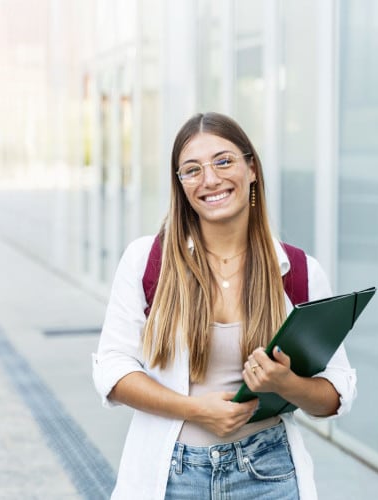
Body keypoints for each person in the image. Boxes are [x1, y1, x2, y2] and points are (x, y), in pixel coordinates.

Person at [92, 112, 356, 499]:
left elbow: (334, 395)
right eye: (192, 170)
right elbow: (113, 372)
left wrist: (287, 383)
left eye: (223, 161)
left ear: (251, 169)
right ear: (180, 184)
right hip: (170, 475)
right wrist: (194, 409)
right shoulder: (147, 261)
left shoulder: (298, 271)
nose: (210, 179)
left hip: (269, 473)